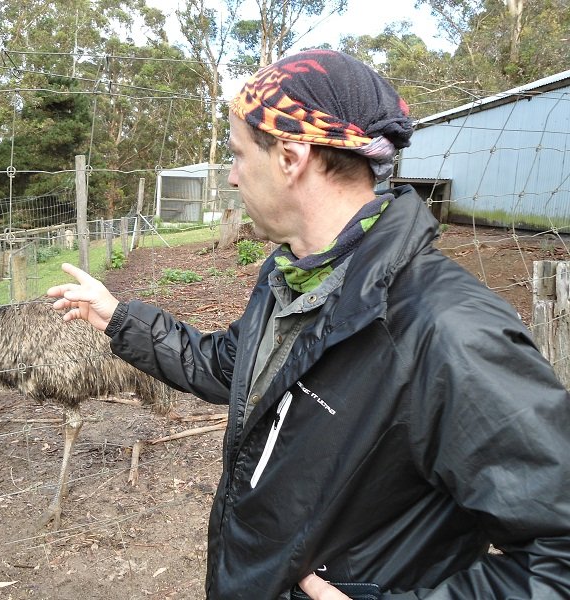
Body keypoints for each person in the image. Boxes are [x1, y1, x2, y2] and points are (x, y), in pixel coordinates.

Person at [47, 49, 570, 599]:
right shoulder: (291, 273)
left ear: (292, 156)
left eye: (237, 155)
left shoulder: (447, 330)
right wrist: (120, 318)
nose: (230, 176)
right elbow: (234, 366)